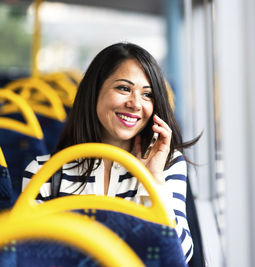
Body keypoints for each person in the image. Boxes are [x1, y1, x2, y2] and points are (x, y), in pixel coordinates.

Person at [22, 42, 200, 262]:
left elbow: (179, 255)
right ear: (94, 91)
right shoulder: (44, 172)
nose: (135, 104)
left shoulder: (166, 165)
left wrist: (152, 181)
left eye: (147, 95)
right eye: (124, 88)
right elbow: (30, 257)